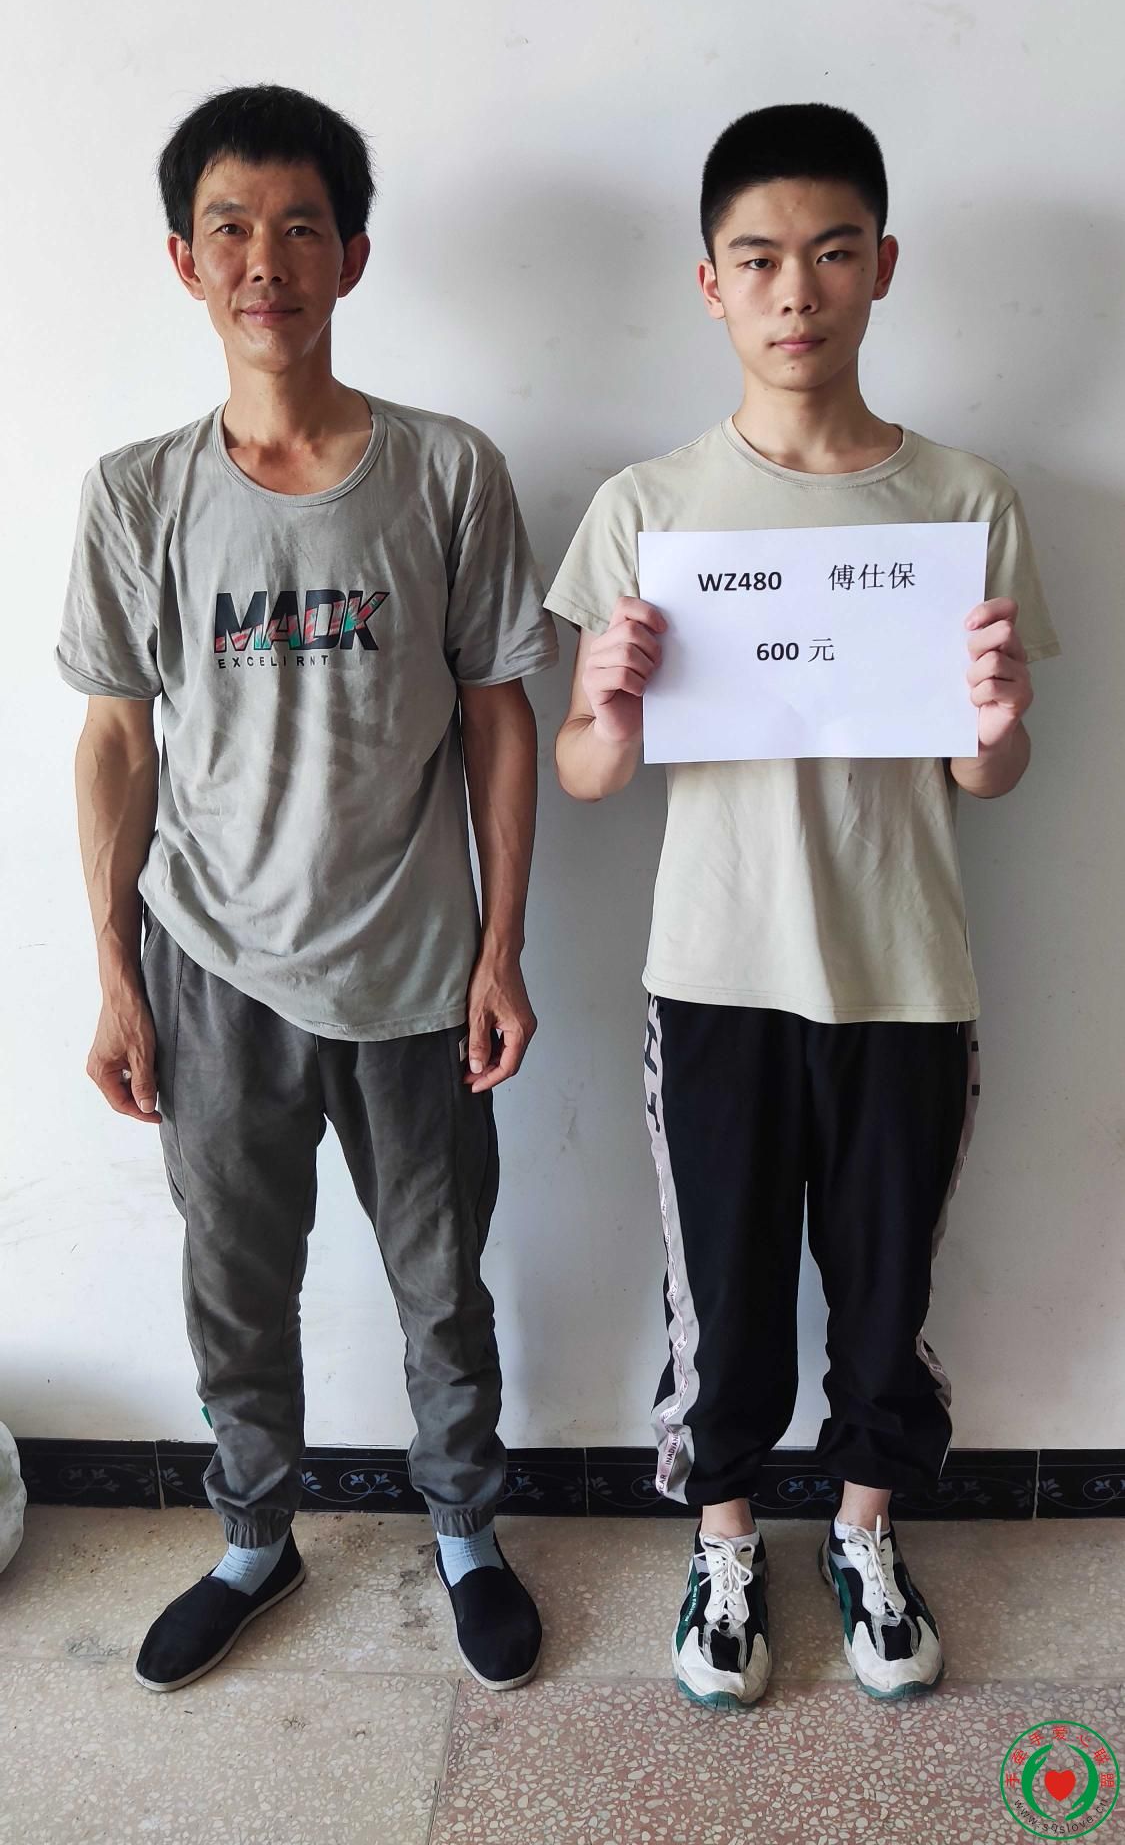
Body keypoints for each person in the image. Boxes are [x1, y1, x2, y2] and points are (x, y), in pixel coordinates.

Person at [546, 104, 1059, 1710]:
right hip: (714, 970)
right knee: (722, 1299)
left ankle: (860, 1531)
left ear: (880, 266)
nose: (795, 290)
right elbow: (581, 770)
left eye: (831, 252)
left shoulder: (962, 499)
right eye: (758, 258)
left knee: (886, 1293)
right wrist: (609, 707)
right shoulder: (649, 505)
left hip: (904, 970)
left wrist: (994, 720)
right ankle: (721, 1549)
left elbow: (986, 774)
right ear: (709, 282)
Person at [56, 84, 557, 1694]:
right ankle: (252, 1538)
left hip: (414, 970)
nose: (263, 259)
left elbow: (497, 714)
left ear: (351, 254)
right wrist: (117, 975)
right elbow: (116, 741)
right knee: (232, 1286)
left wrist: (502, 945)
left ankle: (464, 1530)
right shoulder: (137, 492)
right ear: (183, 260)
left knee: (441, 1289)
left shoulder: (446, 470)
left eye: (298, 226)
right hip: (209, 966)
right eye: (229, 228)